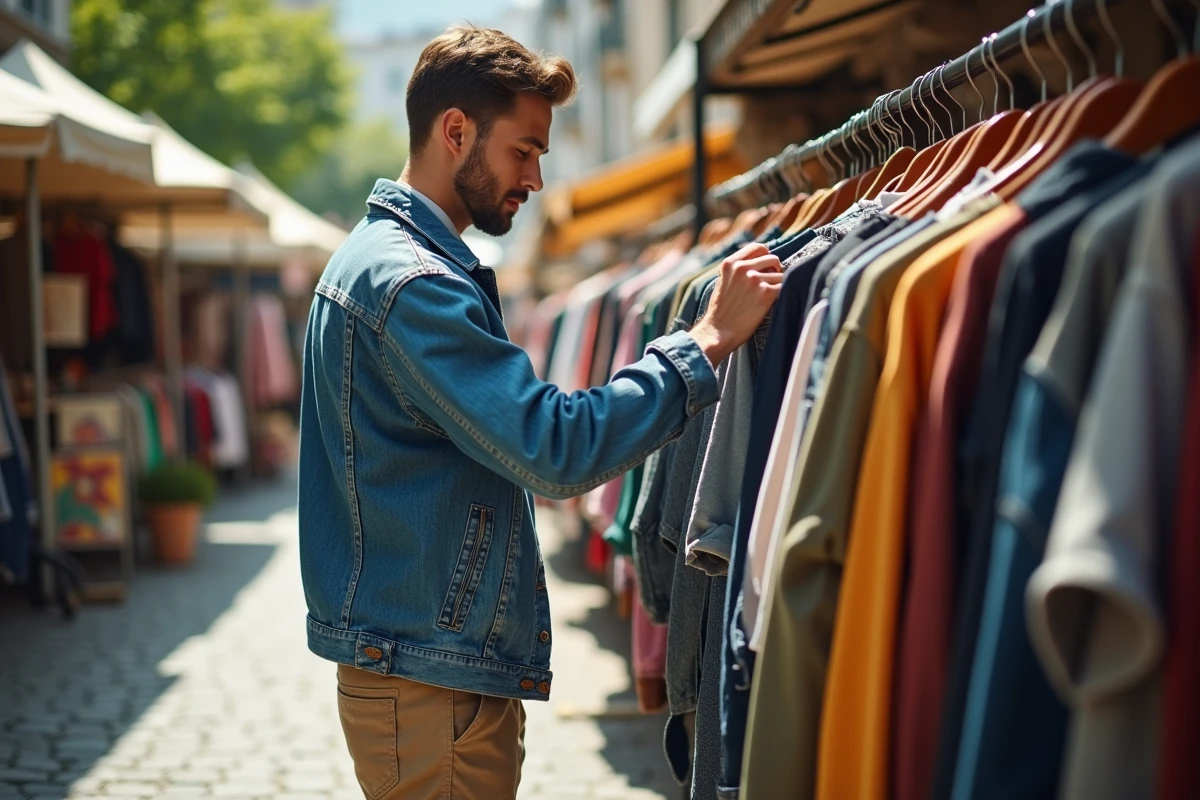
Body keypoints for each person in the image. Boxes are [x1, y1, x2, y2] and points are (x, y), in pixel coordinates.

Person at [297, 24, 783, 800]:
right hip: (429, 677)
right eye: (523, 150)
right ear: (455, 132)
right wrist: (704, 343)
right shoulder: (412, 283)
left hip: (423, 663)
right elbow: (554, 447)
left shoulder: (380, 261)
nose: (535, 178)